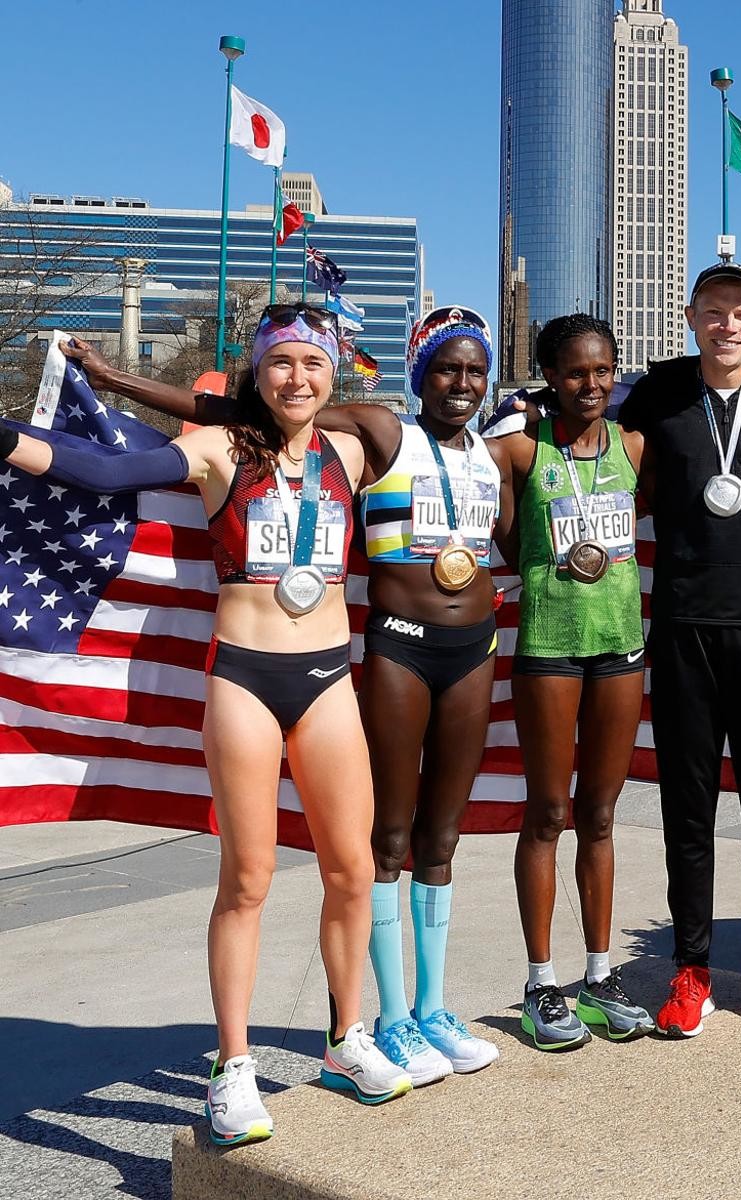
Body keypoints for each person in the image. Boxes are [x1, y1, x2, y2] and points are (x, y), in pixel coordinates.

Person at [57, 304, 513, 1084]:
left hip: (437, 656)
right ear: (418, 373)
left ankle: (406, 1017)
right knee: (311, 863)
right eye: (447, 366)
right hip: (339, 656)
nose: (462, 381)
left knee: (406, 851)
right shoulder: (373, 433)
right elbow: (221, 418)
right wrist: (112, 380)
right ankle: (334, 1036)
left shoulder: (490, 454)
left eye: (476, 369)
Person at [1, 306, 412, 1145]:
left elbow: (394, 424)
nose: (298, 377)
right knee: (248, 878)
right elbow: (107, 471)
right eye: (280, 362)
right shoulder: (220, 449)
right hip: (246, 679)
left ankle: (346, 1038)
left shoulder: (352, 449)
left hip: (329, 679)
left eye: (313, 363)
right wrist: (8, 439)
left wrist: (270, 404)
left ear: (334, 373)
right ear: (255, 370)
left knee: (353, 871)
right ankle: (233, 1067)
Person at [617, 263, 741, 1037]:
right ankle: (691, 968)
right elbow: (596, 449)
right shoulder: (660, 393)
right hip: (684, 629)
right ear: (691, 317)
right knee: (688, 809)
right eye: (714, 312)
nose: (728, 325)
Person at [487, 314, 654, 1051]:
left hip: (620, 647)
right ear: (550, 376)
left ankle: (598, 975)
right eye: (577, 372)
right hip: (549, 646)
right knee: (549, 812)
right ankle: (540, 982)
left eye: (603, 370)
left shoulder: (634, 446)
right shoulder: (521, 450)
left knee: (602, 814)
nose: (592, 384)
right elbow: (502, 532)